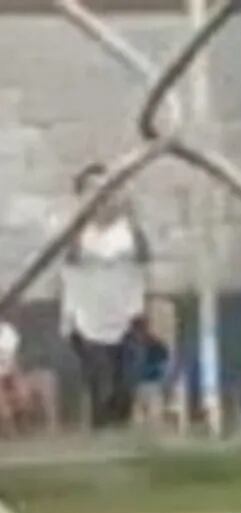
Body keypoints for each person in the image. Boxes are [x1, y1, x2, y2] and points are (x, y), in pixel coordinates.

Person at [61, 162, 151, 430]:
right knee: (102, 387)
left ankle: (119, 435)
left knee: (128, 384)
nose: (102, 196)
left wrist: (132, 217)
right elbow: (71, 256)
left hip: (127, 317)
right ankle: (101, 439)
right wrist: (80, 219)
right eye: (93, 190)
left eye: (107, 188)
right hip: (86, 321)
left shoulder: (127, 230)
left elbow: (144, 255)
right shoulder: (74, 232)